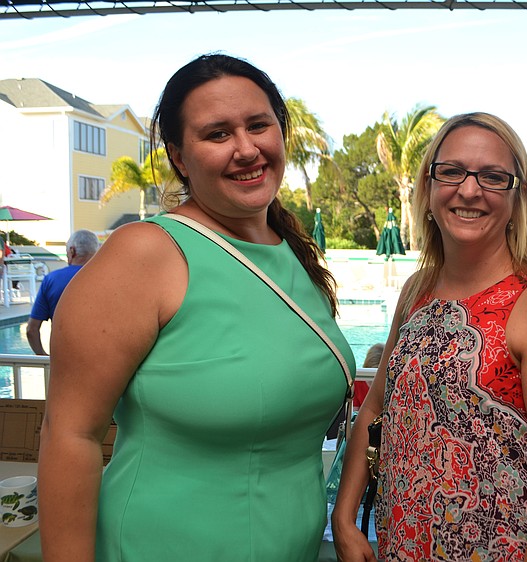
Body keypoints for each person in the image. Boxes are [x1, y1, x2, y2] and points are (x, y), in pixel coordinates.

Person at [38, 53, 355, 561]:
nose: (246, 149)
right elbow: (70, 435)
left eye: (258, 126)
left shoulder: (292, 253)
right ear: (180, 158)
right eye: (217, 134)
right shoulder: (145, 254)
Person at [332, 112, 527, 561]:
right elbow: (376, 406)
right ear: (429, 188)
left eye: (493, 177)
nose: (469, 190)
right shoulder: (417, 291)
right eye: (451, 172)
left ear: (516, 197)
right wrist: (343, 514)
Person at [26, 229, 99, 355]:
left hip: (62, 359)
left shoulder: (52, 280)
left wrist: (43, 357)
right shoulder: (108, 279)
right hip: (100, 358)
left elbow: (31, 330)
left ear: (72, 251)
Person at [353, 342, 384, 408]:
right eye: (372, 379)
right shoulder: (358, 382)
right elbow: (353, 412)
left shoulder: (394, 384)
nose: (376, 383)